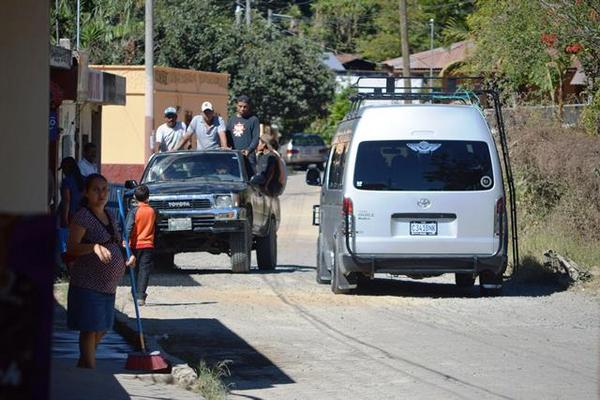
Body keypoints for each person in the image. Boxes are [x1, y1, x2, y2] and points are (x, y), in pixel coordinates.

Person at [66, 173, 135, 369]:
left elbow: (116, 243)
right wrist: (93, 247)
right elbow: (71, 247)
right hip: (88, 283)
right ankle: (89, 367)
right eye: (96, 189)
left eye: (105, 189)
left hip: (108, 287)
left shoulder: (111, 216)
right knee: (90, 329)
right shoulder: (83, 216)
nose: (102, 193)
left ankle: (84, 364)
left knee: (103, 329)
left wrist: (126, 257)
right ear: (86, 193)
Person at [124, 184, 156, 306]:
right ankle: (140, 296)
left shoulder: (134, 211)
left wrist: (125, 240)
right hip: (148, 245)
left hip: (135, 245)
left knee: (134, 269)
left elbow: (128, 228)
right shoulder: (152, 211)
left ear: (134, 197)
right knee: (144, 271)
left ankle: (134, 293)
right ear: (148, 197)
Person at [226, 95, 260, 172]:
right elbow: (227, 137)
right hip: (234, 156)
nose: (242, 109)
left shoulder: (253, 120)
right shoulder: (231, 120)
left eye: (245, 107)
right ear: (236, 105)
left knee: (249, 181)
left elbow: (256, 138)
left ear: (248, 107)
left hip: (248, 157)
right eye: (240, 106)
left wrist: (249, 150)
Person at [59, 157, 84, 229]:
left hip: (71, 214)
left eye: (63, 169)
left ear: (67, 168)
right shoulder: (84, 179)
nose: (63, 172)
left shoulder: (66, 181)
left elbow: (67, 200)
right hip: (82, 213)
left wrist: (65, 218)